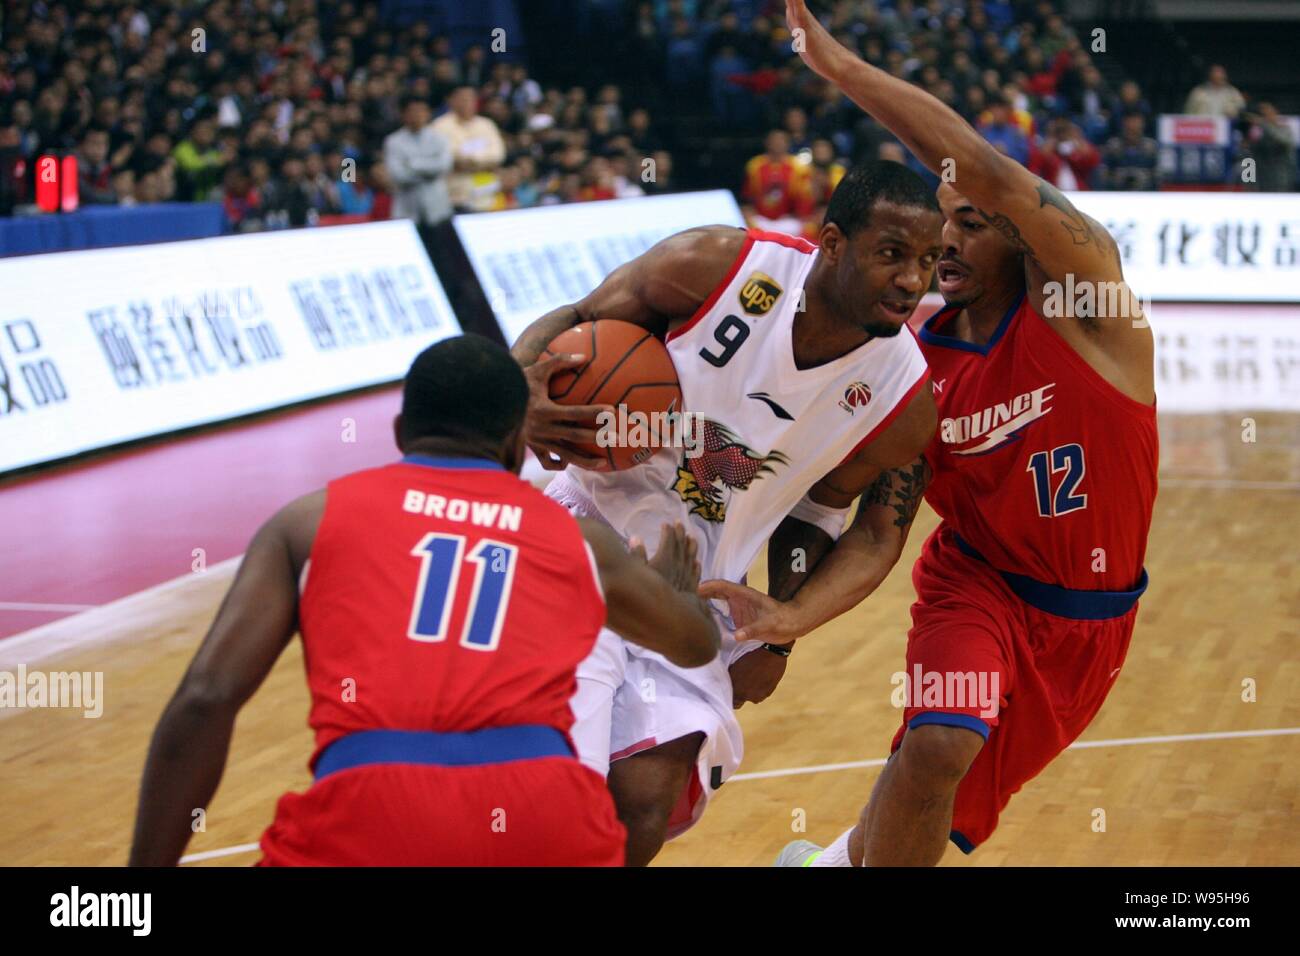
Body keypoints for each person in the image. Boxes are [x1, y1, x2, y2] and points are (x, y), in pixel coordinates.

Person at [776, 0, 1156, 867]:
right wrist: (783, 617)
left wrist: (844, 72)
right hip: (974, 588)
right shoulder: (914, 368)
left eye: (972, 224)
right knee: (940, 744)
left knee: (933, 808)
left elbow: (988, 171)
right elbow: (876, 520)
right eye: (943, 223)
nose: (946, 240)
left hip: (1093, 624)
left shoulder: (1086, 311)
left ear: (1023, 239)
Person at [129, 335, 720, 867]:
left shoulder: (308, 523)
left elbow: (205, 699)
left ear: (399, 432)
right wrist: (675, 593)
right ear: (517, 444)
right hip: (543, 817)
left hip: (371, 808)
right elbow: (695, 645)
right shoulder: (577, 540)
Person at [512, 160, 943, 865]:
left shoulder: (902, 400)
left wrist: (783, 630)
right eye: (890, 254)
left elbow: (863, 527)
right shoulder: (716, 267)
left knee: (647, 802)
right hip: (577, 530)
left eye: (926, 260)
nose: (910, 280)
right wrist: (519, 389)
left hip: (693, 591)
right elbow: (581, 321)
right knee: (558, 788)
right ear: (833, 244)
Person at [383, 95, 453, 226]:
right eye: (413, 111)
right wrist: (430, 171)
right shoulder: (393, 141)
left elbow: (444, 166)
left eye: (422, 110)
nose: (418, 115)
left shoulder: (440, 138)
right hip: (407, 208)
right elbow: (399, 176)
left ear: (428, 113)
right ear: (403, 114)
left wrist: (413, 164)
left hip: (438, 208)